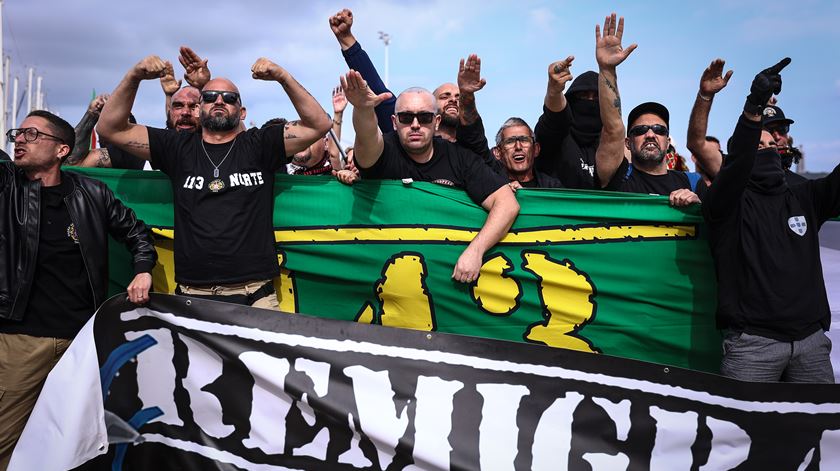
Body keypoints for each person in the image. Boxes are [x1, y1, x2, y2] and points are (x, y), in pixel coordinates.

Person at [97, 55, 331, 307]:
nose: (219, 100)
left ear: (241, 111)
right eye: (209, 97)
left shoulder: (258, 144)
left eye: (229, 98)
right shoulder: (177, 148)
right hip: (191, 295)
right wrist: (135, 76)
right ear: (199, 107)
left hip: (255, 293)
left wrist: (282, 76)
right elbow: (110, 129)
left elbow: (319, 124)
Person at [0, 110, 156, 467]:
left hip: (81, 344)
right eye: (17, 134)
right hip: (20, 343)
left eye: (31, 134)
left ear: (61, 150)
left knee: (74, 446)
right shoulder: (6, 184)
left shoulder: (92, 194)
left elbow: (138, 234)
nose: (19, 140)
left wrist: (143, 270)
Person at [703, 58, 839, 383]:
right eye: (759, 144)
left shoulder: (804, 193)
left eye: (777, 138)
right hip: (753, 346)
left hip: (810, 344)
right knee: (741, 434)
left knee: (817, 433)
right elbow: (734, 165)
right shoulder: (726, 200)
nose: (771, 145)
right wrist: (753, 107)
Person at [342, 71, 519, 283]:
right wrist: (362, 108)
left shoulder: (460, 157)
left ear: (436, 122)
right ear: (394, 122)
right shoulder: (384, 149)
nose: (415, 124)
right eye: (406, 118)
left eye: (424, 117)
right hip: (382, 275)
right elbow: (367, 137)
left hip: (446, 279)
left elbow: (507, 204)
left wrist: (475, 251)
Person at [593, 13, 699, 207]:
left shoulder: (692, 182)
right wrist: (607, 69)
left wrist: (699, 203)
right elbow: (613, 127)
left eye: (659, 130)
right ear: (627, 142)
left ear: (668, 141)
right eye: (640, 130)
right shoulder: (617, 178)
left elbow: (720, 220)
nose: (650, 134)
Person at [534, 59, 603, 189]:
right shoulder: (558, 135)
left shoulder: (613, 140)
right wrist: (554, 91)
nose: (589, 101)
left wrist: (609, 70)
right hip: (557, 208)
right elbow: (555, 118)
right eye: (582, 95)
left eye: (596, 97)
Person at [763, 104, 807, 184]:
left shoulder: (803, 186)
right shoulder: (744, 184)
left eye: (782, 129)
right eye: (769, 131)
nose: (777, 137)